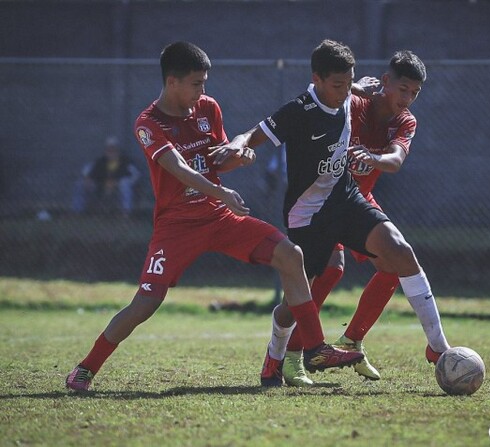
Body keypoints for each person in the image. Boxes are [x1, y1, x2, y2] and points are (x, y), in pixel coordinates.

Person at [65, 41, 362, 392]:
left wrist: (243, 155)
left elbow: (220, 160)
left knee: (290, 255)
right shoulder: (148, 122)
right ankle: (85, 368)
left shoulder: (208, 108)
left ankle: (314, 348)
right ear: (172, 81)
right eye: (196, 83)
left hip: (219, 216)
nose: (202, 91)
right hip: (177, 225)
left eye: (205, 83)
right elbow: (175, 167)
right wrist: (220, 191)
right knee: (145, 302)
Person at [211, 40, 450, 387]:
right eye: (337, 85)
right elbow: (255, 133)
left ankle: (438, 348)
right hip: (308, 213)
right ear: (318, 80)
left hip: (348, 196)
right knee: (303, 294)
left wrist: (372, 152)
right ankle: (278, 356)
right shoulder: (303, 109)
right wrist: (238, 143)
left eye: (414, 92)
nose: (343, 92)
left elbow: (392, 154)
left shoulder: (359, 99)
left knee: (400, 251)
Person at [72, 136, 140, 216]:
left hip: (118, 187)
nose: (111, 151)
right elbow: (87, 170)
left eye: (114, 149)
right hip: (100, 186)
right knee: (79, 184)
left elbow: (136, 175)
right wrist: (87, 179)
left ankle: (126, 213)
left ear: (118, 150)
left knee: (124, 184)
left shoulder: (125, 161)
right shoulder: (101, 161)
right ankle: (77, 212)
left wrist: (118, 182)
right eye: (109, 149)